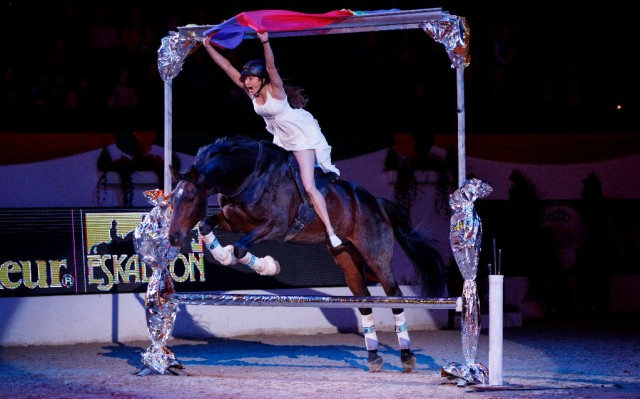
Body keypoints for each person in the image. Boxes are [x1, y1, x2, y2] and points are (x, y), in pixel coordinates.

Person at [202, 30, 343, 248]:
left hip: (301, 136)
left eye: (251, 79)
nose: (247, 83)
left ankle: (330, 231)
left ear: (262, 80)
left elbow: (270, 66)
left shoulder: (276, 90)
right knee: (270, 174)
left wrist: (265, 41)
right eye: (246, 79)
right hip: (280, 138)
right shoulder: (252, 93)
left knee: (308, 186)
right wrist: (208, 46)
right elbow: (227, 67)